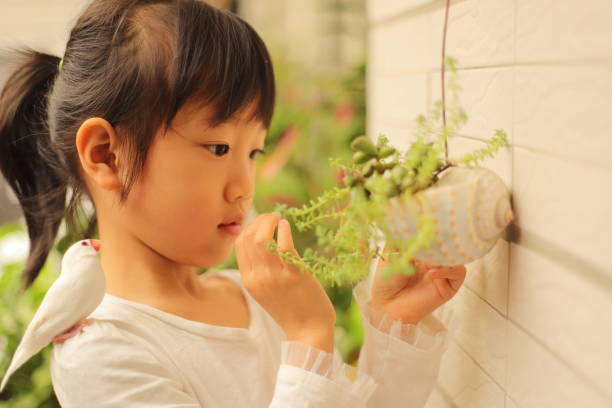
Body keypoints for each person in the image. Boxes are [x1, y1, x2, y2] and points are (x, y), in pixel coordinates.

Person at [0, 0, 466, 406]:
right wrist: (307, 339)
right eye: (219, 148)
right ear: (106, 154)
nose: (243, 187)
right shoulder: (102, 354)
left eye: (254, 151)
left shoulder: (247, 296)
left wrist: (392, 324)